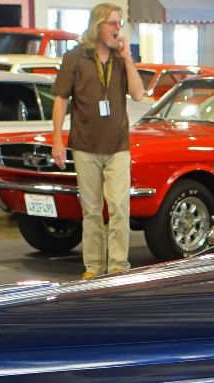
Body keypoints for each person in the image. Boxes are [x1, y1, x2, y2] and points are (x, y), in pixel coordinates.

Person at [49, 4, 146, 279]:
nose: (117, 29)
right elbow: (60, 100)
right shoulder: (75, 57)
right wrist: (57, 140)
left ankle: (118, 266)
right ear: (97, 26)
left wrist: (128, 58)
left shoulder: (120, 58)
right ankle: (93, 266)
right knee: (91, 210)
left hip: (118, 145)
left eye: (119, 24)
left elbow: (138, 94)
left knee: (119, 207)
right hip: (85, 145)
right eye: (112, 23)